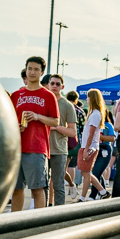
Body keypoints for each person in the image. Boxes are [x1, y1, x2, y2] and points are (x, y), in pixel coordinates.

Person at [11, 56, 59, 211]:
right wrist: (16, 127)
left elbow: (55, 122)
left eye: (36, 69)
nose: (32, 72)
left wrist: (38, 117)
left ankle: (39, 222)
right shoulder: (16, 95)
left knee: (37, 189)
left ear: (42, 72)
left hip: (37, 148)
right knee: (16, 189)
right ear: (25, 70)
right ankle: (14, 221)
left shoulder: (48, 95)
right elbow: (8, 121)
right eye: (29, 69)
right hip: (16, 148)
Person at [45, 74, 77, 207]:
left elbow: (73, 132)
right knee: (42, 185)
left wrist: (55, 127)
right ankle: (41, 212)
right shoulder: (44, 101)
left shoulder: (67, 105)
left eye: (57, 84)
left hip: (59, 150)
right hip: (43, 149)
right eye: (52, 83)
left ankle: (59, 213)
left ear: (62, 87)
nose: (54, 86)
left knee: (58, 185)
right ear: (48, 85)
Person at [77, 88, 109, 201]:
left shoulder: (95, 114)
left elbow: (91, 133)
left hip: (90, 146)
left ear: (92, 98)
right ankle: (103, 191)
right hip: (89, 146)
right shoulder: (95, 113)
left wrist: (86, 149)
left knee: (86, 173)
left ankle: (83, 197)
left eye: (88, 97)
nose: (87, 99)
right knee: (85, 172)